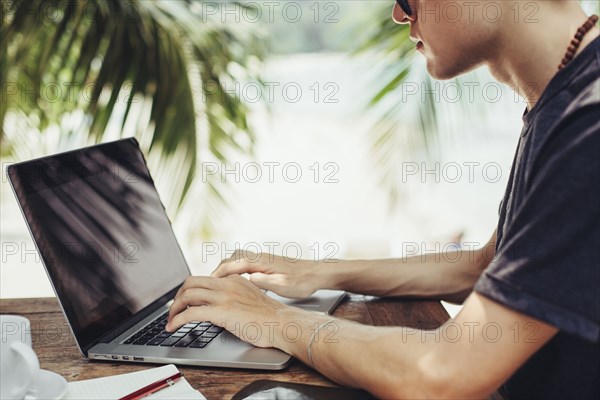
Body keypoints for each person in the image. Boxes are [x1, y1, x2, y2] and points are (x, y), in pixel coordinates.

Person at [167, 1, 599, 398]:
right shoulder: (563, 99)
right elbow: (487, 265)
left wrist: (274, 320)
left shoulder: (589, 124)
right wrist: (319, 271)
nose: (398, 12)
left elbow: (443, 374)